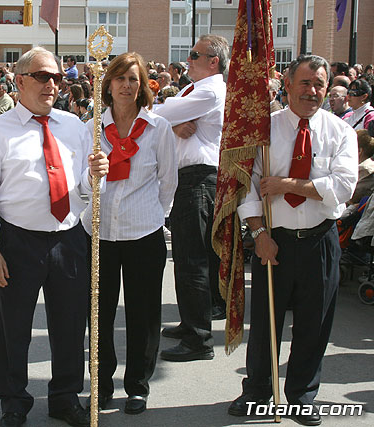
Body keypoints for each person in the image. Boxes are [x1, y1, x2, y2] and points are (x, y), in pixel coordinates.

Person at [0, 46, 109, 427]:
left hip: (68, 238)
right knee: (14, 327)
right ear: (19, 81)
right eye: (43, 76)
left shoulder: (76, 127)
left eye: (58, 77)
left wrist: (94, 175)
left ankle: (65, 396)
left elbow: (82, 192)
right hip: (18, 240)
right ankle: (14, 401)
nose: (52, 84)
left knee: (69, 324)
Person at [229, 55, 358, 426]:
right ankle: (257, 390)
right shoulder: (263, 130)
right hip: (274, 241)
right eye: (305, 83)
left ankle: (302, 395)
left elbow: (343, 187)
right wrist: (259, 235)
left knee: (313, 325)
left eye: (319, 84)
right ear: (287, 85)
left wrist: (286, 185)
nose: (312, 91)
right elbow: (248, 190)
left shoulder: (341, 132)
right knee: (266, 323)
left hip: (320, 241)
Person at [81, 52, 177, 415]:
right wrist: (93, 175)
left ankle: (137, 385)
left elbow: (168, 182)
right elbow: (78, 185)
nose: (126, 85)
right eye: (119, 78)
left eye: (133, 79)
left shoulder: (158, 129)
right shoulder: (90, 128)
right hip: (99, 233)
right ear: (108, 84)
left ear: (142, 87)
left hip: (143, 234)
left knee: (144, 314)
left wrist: (153, 215)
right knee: (99, 314)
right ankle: (101, 385)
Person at [152, 34, 229, 361]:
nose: (189, 59)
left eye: (195, 55)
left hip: (199, 179)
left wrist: (170, 117)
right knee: (185, 258)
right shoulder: (196, 88)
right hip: (189, 179)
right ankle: (191, 323)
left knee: (192, 261)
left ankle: (198, 338)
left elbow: (162, 109)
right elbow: (166, 118)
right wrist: (172, 123)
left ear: (213, 61)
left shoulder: (211, 89)